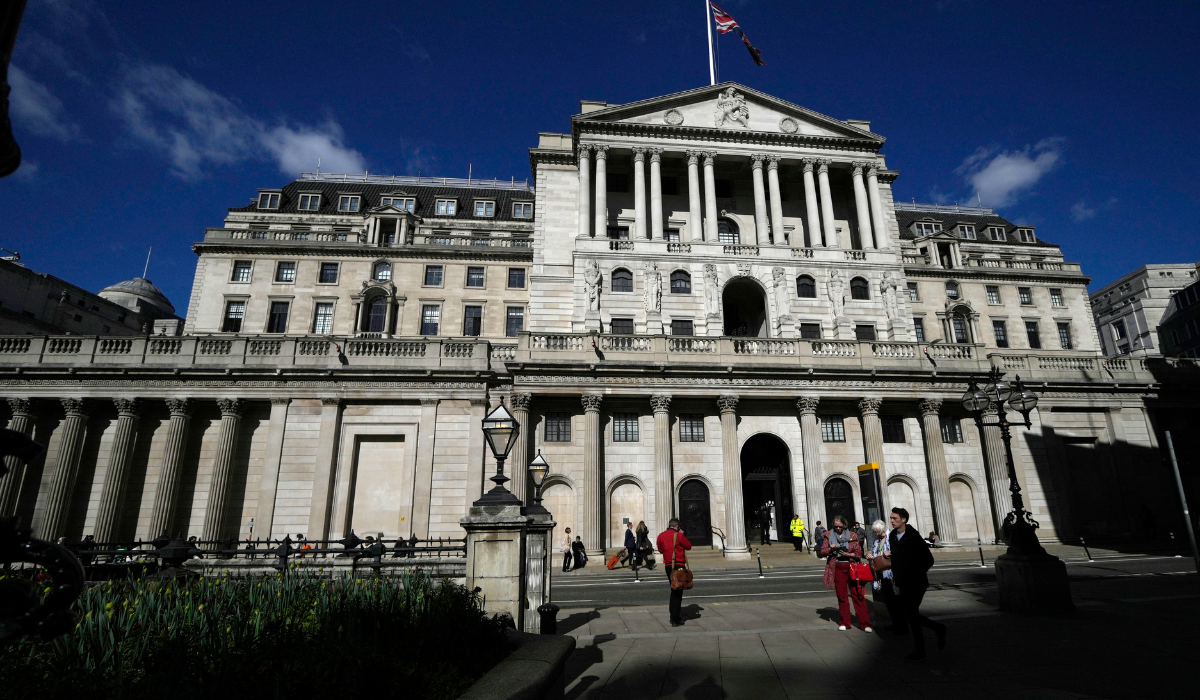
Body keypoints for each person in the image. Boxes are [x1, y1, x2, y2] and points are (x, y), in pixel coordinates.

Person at [889, 507, 946, 661]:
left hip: (916, 582)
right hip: (902, 582)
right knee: (910, 615)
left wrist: (915, 574)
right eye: (891, 518)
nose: (892, 521)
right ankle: (938, 629)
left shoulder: (913, 536)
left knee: (911, 614)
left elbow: (928, 560)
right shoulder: (893, 536)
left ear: (903, 519)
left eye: (894, 518)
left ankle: (921, 649)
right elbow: (898, 559)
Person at [819, 515, 872, 632]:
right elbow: (822, 551)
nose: (838, 528)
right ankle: (845, 622)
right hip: (837, 567)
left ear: (844, 525)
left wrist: (849, 554)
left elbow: (859, 552)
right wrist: (831, 549)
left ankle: (865, 623)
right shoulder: (828, 535)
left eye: (840, 526)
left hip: (852, 567)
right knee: (842, 596)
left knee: (858, 595)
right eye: (836, 527)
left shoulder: (852, 535)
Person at [868, 519, 904, 632]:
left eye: (877, 531)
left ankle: (901, 625)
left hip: (892, 573)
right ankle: (895, 623)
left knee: (896, 600)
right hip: (881, 572)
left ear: (883, 529)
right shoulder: (877, 540)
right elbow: (873, 551)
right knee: (888, 600)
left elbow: (901, 551)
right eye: (875, 531)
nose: (876, 533)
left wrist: (890, 552)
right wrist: (870, 554)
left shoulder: (892, 537)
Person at [656, 517, 692, 627]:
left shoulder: (661, 536)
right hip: (679, 565)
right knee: (677, 592)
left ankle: (674, 616)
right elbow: (688, 546)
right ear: (676, 526)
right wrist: (682, 535)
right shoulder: (679, 535)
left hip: (668, 566)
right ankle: (675, 619)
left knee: (674, 589)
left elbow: (660, 549)